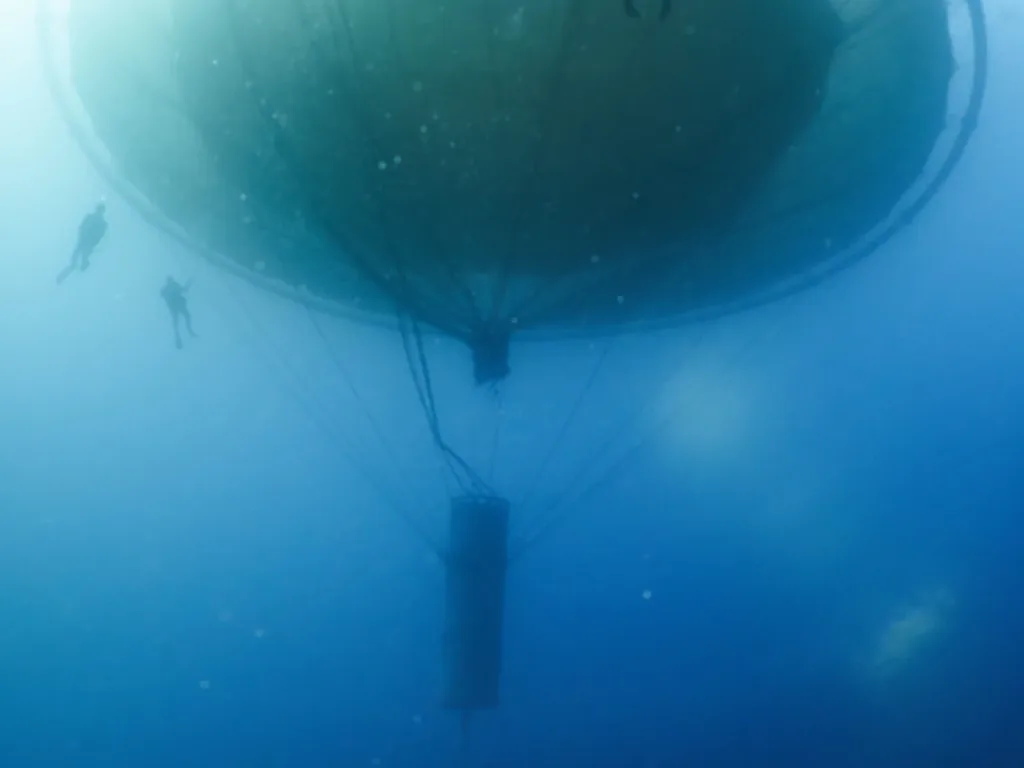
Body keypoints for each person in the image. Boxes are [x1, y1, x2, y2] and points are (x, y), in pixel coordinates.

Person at [57, 202, 107, 284]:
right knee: (78, 257)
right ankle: (77, 267)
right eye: (99, 210)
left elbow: (99, 235)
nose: (99, 211)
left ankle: (80, 267)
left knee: (82, 257)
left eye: (100, 210)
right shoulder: (93, 218)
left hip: (87, 243)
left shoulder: (101, 223)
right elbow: (82, 227)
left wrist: (93, 244)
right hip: (84, 241)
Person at [160, 276, 198, 349]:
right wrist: (189, 283)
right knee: (186, 316)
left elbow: (162, 294)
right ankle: (189, 331)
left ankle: (179, 338)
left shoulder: (166, 288)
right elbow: (184, 289)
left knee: (177, 322)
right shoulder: (174, 285)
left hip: (173, 307)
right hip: (179, 305)